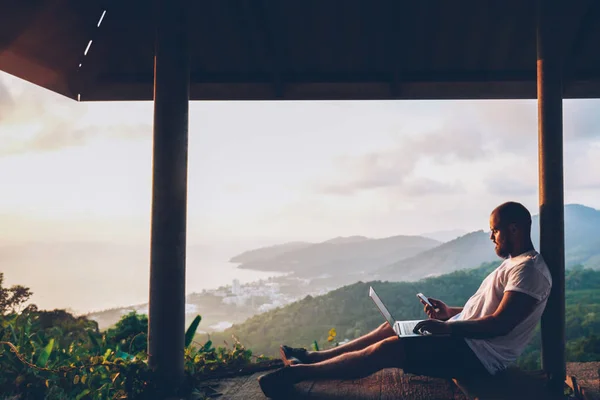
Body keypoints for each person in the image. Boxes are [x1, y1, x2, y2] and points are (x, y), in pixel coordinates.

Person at [257, 201, 553, 398]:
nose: (491, 236)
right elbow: (490, 310)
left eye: (495, 229)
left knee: (390, 348)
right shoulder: (514, 264)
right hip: (464, 339)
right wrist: (449, 312)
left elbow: (500, 324)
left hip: (479, 356)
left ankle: (297, 374)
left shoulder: (529, 271)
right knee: (393, 328)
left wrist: (449, 328)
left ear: (514, 228)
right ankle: (313, 357)